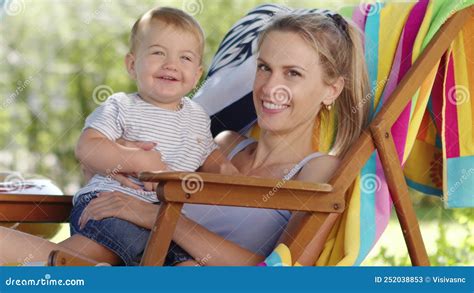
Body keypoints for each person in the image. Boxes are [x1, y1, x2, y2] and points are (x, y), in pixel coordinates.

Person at [0, 10, 369, 266]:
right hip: (120, 259)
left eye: (292, 73)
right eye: (264, 67)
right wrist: (116, 166)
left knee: (52, 268)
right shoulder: (222, 143)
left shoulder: (320, 170)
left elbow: (281, 270)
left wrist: (157, 217)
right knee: (50, 267)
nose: (271, 86)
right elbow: (140, 172)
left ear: (331, 90)